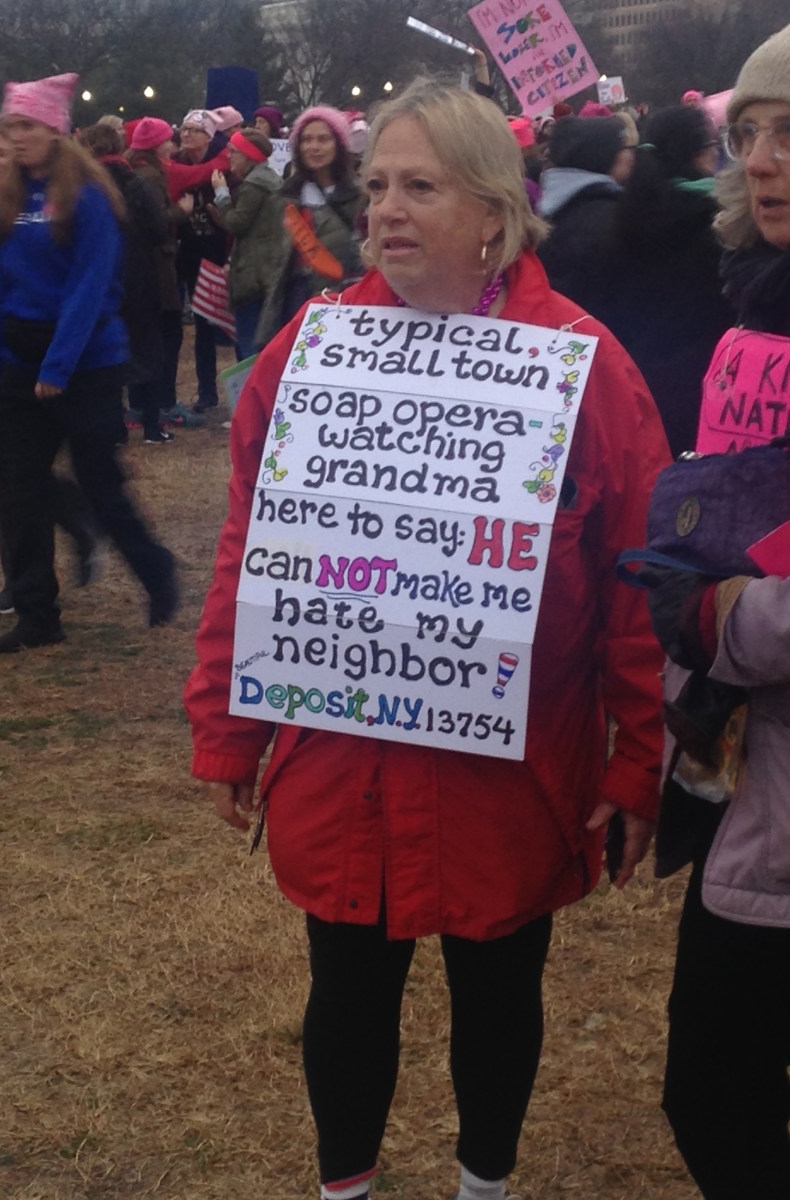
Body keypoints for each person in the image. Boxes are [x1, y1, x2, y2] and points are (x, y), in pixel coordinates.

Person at [185, 79, 669, 1200]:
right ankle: (343, 1188)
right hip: (341, 757)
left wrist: (637, 759)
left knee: (498, 995)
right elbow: (252, 547)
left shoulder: (581, 362)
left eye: (420, 187)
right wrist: (228, 728)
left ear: (494, 209)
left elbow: (636, 583)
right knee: (346, 992)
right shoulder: (309, 351)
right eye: (376, 186)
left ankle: (481, 1186)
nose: (386, 211)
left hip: (514, 768)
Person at [652, 3, 790, 1197]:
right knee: (709, 1093)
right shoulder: (763, 297)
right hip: (762, 793)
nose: (761, 160)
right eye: (745, 132)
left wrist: (723, 623)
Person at [0, 72, 178, 653]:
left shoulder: (87, 199)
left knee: (100, 483)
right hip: (22, 357)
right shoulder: (10, 200)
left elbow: (89, 288)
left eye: (26, 126)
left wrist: (58, 366)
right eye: (11, 126)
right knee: (20, 488)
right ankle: (38, 615)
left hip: (85, 361)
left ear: (54, 131)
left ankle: (154, 567)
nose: (16, 137)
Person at [0, 115, 98, 616]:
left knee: (16, 477)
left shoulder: (33, 212)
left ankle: (26, 584)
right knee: (7, 475)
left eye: (3, 152)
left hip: (18, 354)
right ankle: (70, 520)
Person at [585, 106, 731, 457]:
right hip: (707, 392)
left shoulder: (619, 218)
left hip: (637, 388)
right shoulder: (722, 225)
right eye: (715, 146)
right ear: (699, 153)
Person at [82, 121, 173, 444]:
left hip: (100, 277)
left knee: (106, 351)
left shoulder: (85, 187)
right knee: (147, 349)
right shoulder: (136, 184)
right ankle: (152, 426)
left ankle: (116, 427)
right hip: (139, 276)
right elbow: (159, 231)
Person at [255, 105, 363, 347]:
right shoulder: (286, 195)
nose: (314, 147)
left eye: (323, 139)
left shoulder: (358, 196)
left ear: (339, 144)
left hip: (341, 300)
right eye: (306, 140)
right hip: (293, 297)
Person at [537, 116, 633, 321]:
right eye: (624, 148)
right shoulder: (615, 219)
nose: (631, 155)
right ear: (605, 155)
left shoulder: (548, 210)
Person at [125, 117, 185, 433]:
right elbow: (156, 222)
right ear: (156, 145)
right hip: (156, 271)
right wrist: (181, 211)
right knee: (165, 339)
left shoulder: (135, 171)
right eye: (168, 140)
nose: (173, 145)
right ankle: (161, 407)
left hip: (141, 271)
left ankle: (141, 406)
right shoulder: (149, 177)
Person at [173, 108, 232, 412]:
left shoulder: (225, 171)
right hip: (191, 255)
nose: (186, 134)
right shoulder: (178, 164)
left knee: (232, 325)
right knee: (202, 325)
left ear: (208, 136)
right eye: (184, 129)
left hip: (222, 253)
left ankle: (245, 393)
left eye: (194, 130)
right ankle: (207, 392)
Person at [210, 127, 285, 361]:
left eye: (234, 151)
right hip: (267, 270)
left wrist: (221, 194)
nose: (229, 156)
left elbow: (236, 223)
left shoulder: (254, 185)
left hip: (253, 274)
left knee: (250, 346)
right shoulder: (272, 179)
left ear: (248, 155)